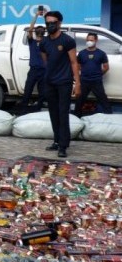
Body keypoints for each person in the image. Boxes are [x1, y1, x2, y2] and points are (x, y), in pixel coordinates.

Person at [39, 10, 81, 158]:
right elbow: (45, 60)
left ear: (59, 23)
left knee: (63, 113)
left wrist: (77, 83)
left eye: (53, 23)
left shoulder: (67, 41)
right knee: (53, 113)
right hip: (49, 82)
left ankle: (63, 146)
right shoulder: (44, 42)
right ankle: (56, 141)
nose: (50, 25)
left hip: (64, 82)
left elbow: (74, 62)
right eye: (47, 23)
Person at [74, 33, 112, 117]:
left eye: (91, 40)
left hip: (96, 81)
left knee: (104, 100)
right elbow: (78, 66)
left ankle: (110, 116)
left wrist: (98, 74)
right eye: (87, 40)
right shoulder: (81, 53)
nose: (89, 42)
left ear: (96, 40)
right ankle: (77, 118)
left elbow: (106, 67)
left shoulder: (101, 53)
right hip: (84, 81)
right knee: (79, 101)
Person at [18, 11, 46, 111]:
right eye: (38, 29)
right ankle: (23, 109)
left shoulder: (46, 42)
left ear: (44, 31)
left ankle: (38, 108)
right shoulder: (32, 41)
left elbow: (50, 29)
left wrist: (45, 16)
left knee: (42, 92)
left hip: (43, 71)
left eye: (42, 29)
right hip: (33, 70)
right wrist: (36, 16)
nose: (40, 30)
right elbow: (30, 29)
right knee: (28, 90)